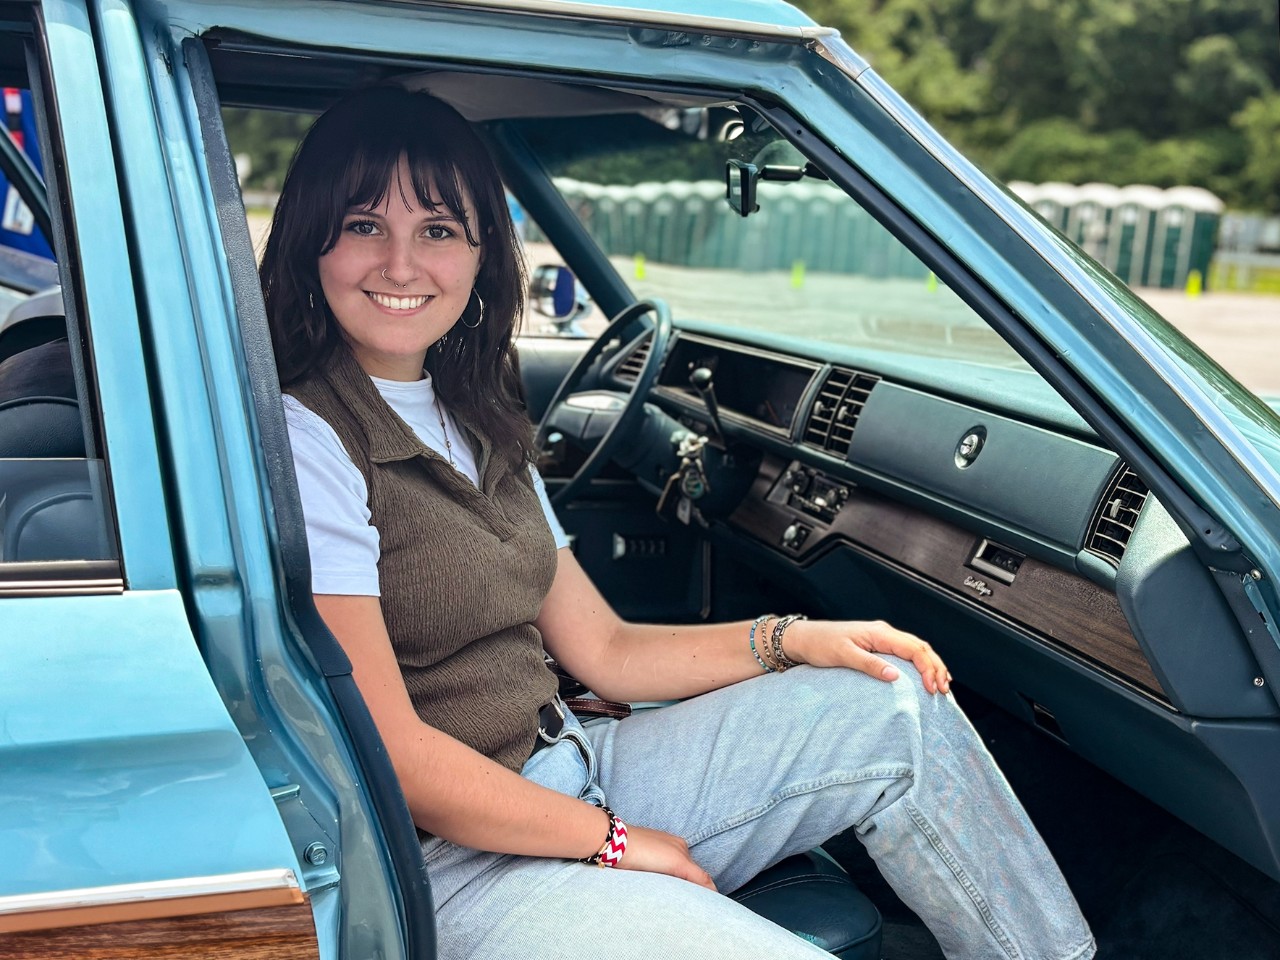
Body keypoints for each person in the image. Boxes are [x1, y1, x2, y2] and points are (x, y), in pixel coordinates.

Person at [261, 85, 1096, 960]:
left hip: (575, 764)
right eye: (364, 225)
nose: (401, 265)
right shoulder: (310, 438)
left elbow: (606, 650)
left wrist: (795, 638)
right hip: (453, 862)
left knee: (895, 700)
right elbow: (395, 756)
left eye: (437, 230)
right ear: (313, 240)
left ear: (480, 257)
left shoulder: (475, 411)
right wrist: (615, 842)